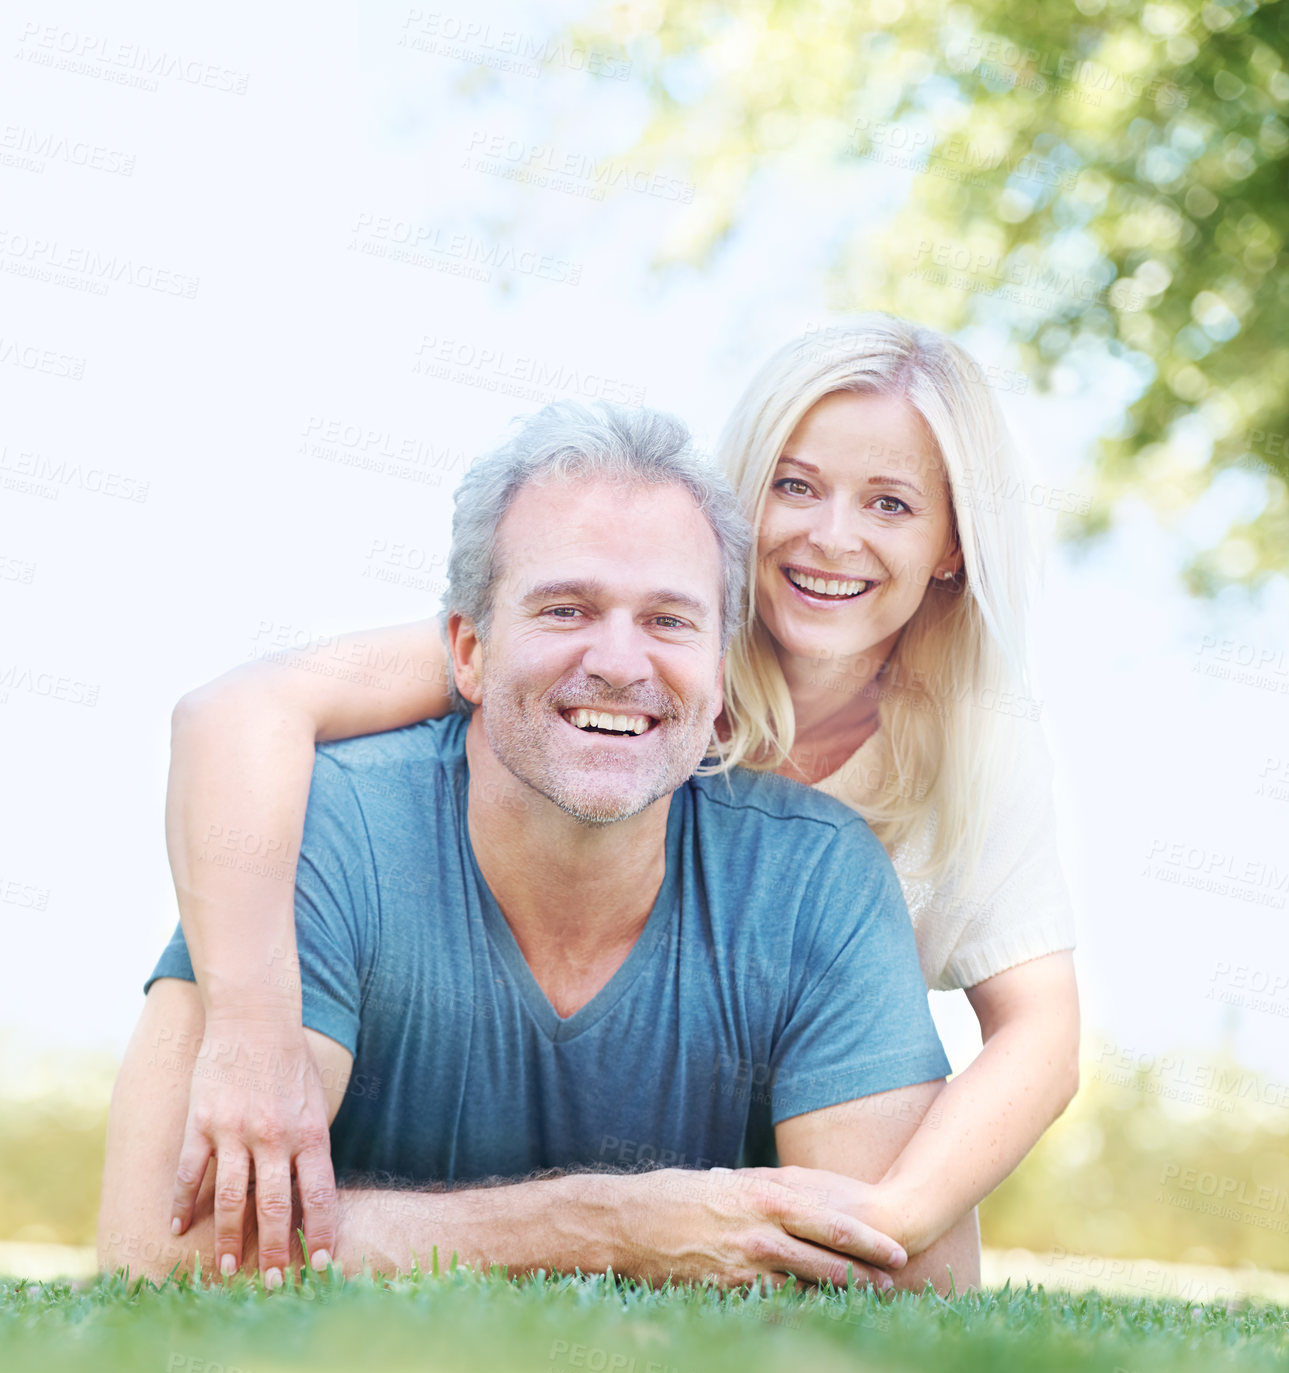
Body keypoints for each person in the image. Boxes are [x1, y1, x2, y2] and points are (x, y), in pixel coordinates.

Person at [154, 316, 1081, 1289]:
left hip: (799, 1117)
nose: (831, 534)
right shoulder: (611, 656)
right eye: (794, 485)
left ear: (949, 546)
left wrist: (883, 1216)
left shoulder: (970, 742)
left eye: (889, 502)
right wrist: (252, 1032)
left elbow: (1038, 1031)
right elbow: (235, 709)